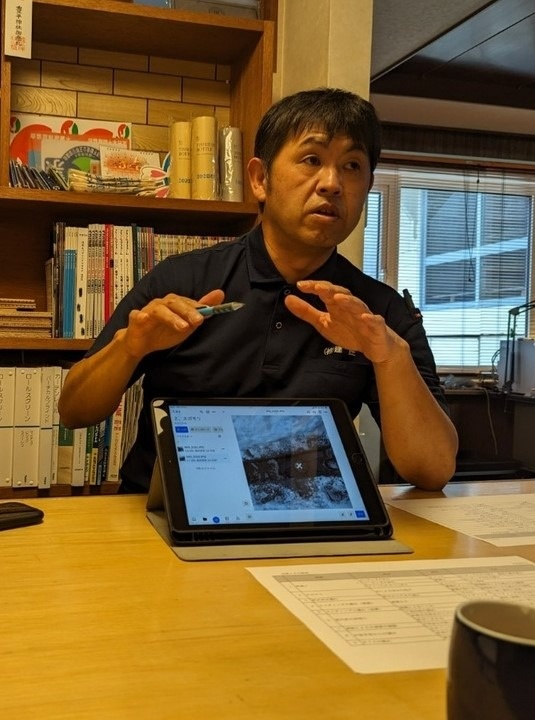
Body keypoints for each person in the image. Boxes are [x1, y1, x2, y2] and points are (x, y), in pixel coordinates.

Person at [58, 87, 458, 493]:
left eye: (352, 166)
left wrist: (390, 357)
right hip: (162, 511)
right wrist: (130, 347)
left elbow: (432, 470)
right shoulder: (182, 279)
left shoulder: (377, 312)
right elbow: (74, 411)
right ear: (260, 179)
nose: (332, 183)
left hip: (301, 514)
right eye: (312, 160)